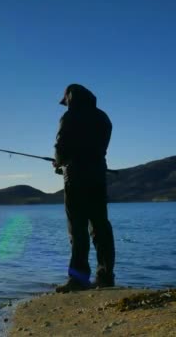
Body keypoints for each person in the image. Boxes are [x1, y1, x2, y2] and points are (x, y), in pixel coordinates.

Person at [53, 84, 116, 293]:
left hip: (75, 178)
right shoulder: (103, 118)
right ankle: (105, 277)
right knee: (101, 227)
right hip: (98, 177)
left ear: (70, 99)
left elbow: (61, 147)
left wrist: (58, 163)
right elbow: (99, 149)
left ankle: (79, 280)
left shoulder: (70, 117)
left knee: (77, 229)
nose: (66, 105)